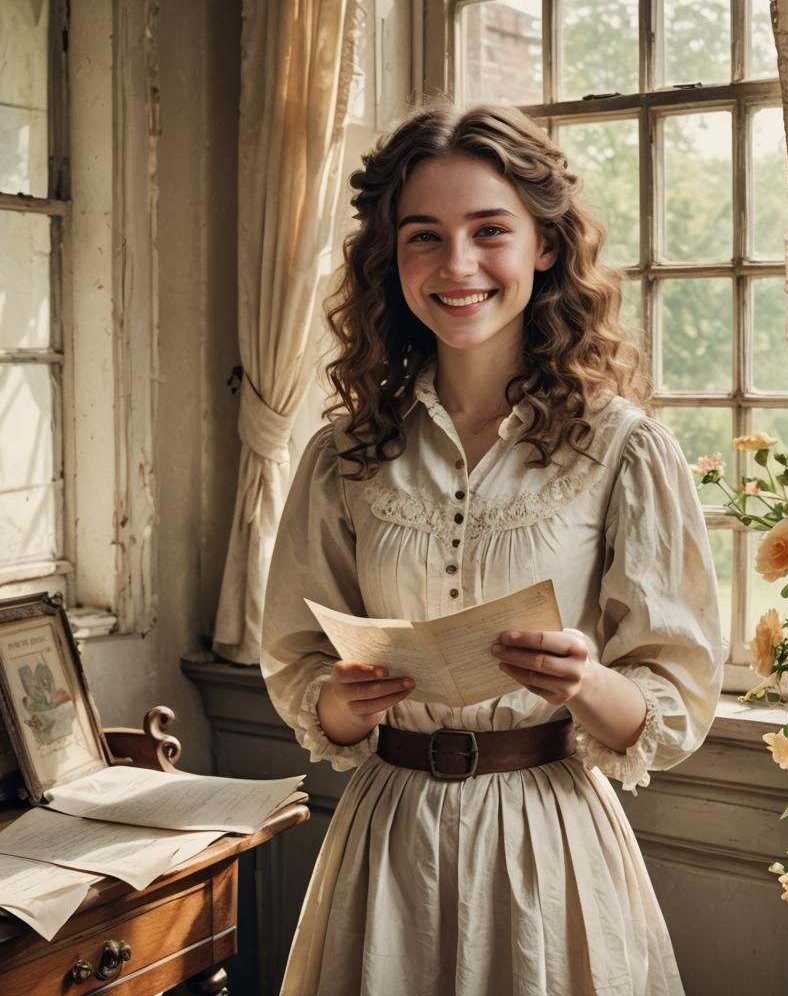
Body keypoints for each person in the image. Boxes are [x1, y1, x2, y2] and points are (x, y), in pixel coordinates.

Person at [261, 103, 723, 996]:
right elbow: (300, 673)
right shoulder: (344, 454)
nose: (457, 265)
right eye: (424, 237)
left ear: (545, 247)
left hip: (549, 842)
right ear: (391, 261)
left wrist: (584, 680)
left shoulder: (622, 448)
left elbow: (673, 702)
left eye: (489, 231)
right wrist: (347, 702)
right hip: (385, 842)